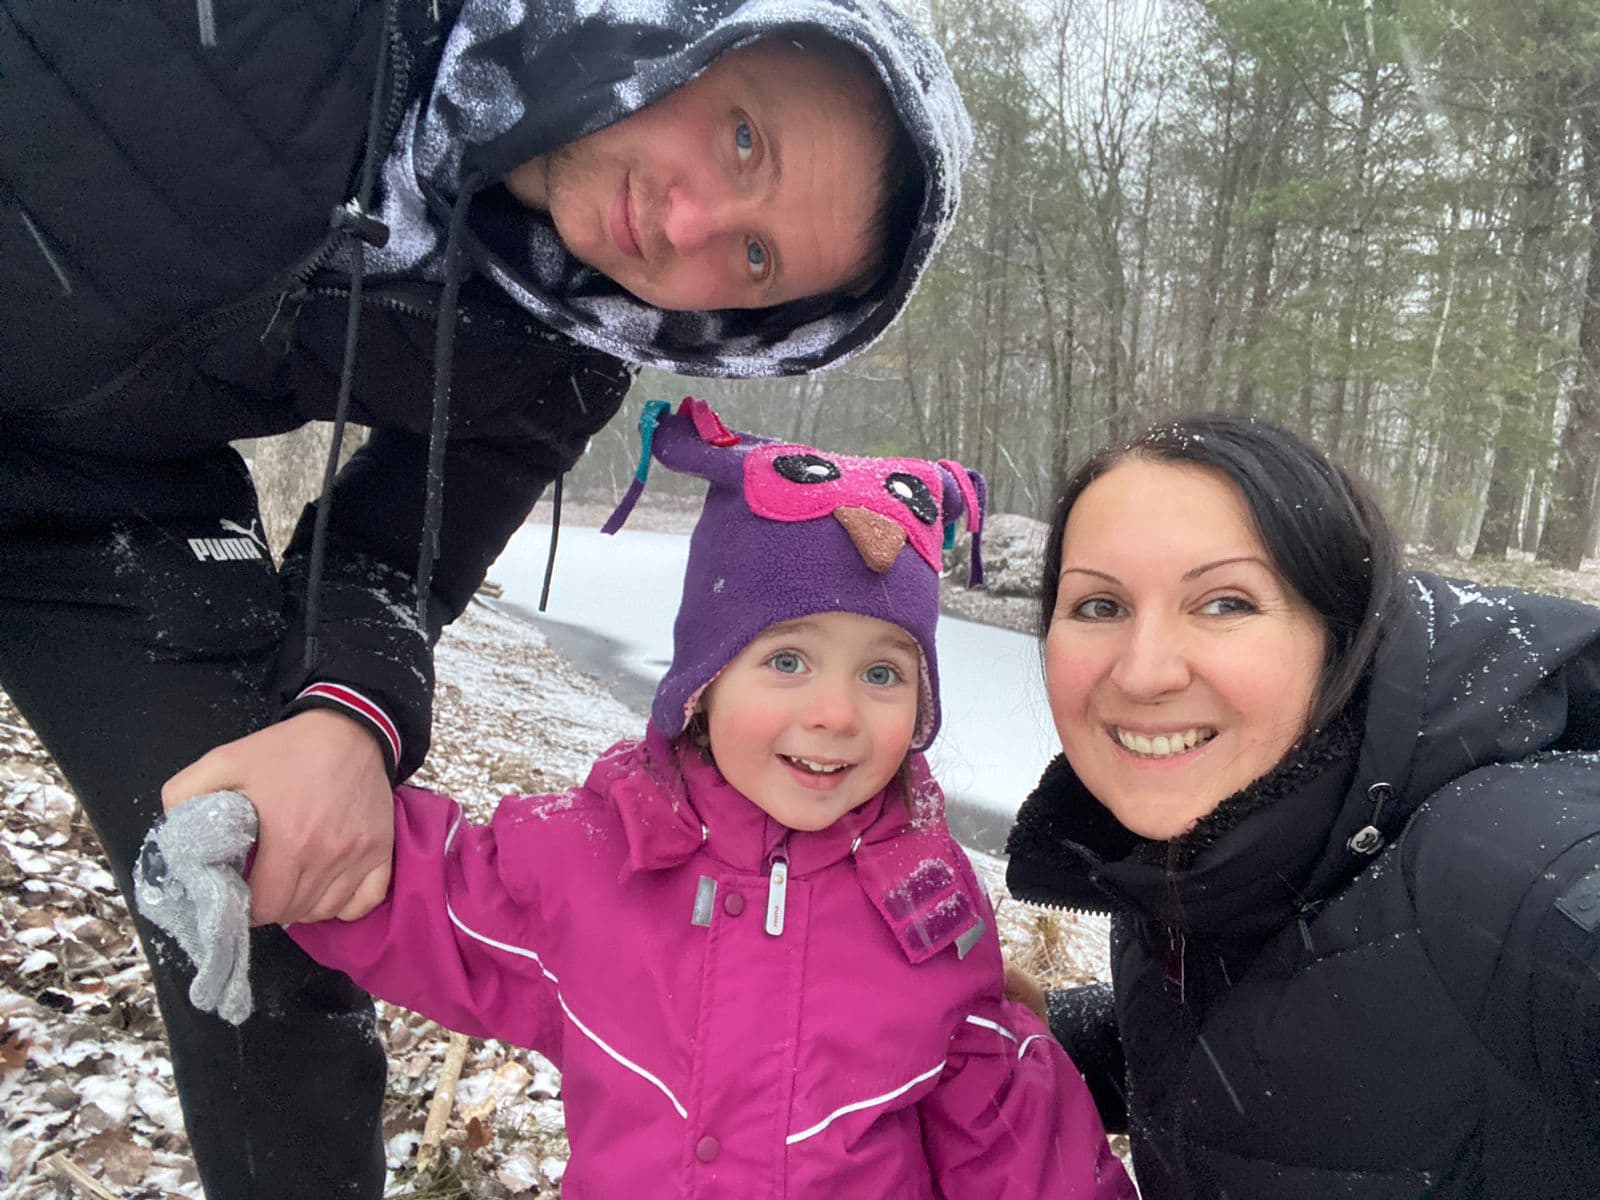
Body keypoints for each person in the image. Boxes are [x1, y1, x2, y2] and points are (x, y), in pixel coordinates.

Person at [0, 1, 970, 1194]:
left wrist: (344, 717)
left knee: (262, 894)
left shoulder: (560, 355)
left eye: (757, 262)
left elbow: (392, 559)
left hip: (101, 505)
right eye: (741, 140)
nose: (689, 228)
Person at [140, 397, 1136, 1197]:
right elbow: (429, 898)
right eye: (786, 660)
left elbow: (1003, 1119)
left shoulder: (929, 900)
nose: (836, 712)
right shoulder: (596, 855)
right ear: (702, 683)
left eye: (883, 674)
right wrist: (266, 839)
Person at [1003, 412, 1600, 1199]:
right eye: (1099, 607)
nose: (1142, 672)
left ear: (1341, 629)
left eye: (1224, 604)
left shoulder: (1519, 869)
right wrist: (1034, 1038)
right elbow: (1281, 1038)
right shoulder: (1206, 842)